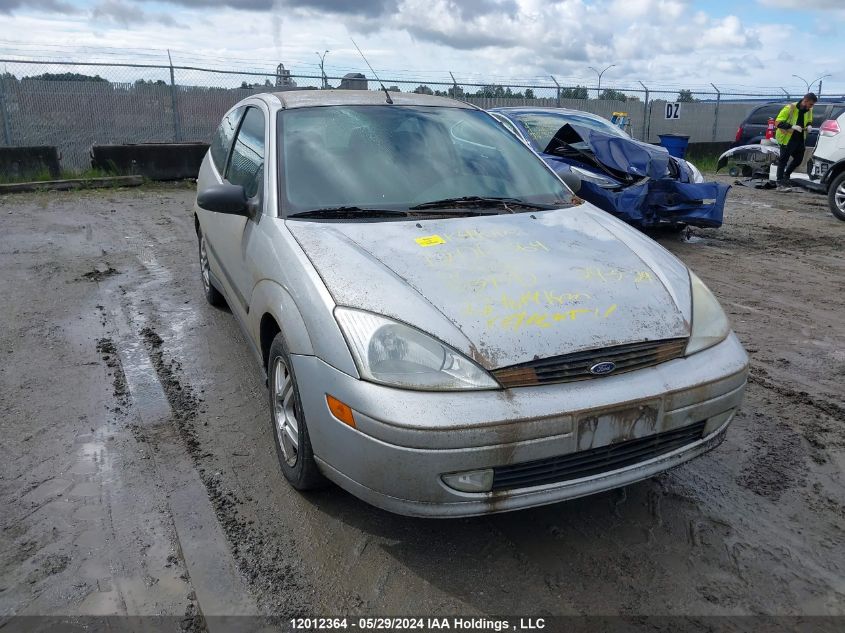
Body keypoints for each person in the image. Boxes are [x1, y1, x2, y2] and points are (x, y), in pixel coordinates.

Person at [774, 93, 817, 192]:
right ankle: (779, 183)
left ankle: (786, 176)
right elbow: (778, 122)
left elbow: (809, 120)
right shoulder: (790, 108)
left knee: (798, 159)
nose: (811, 107)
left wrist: (809, 125)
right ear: (805, 101)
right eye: (810, 104)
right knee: (783, 160)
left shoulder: (809, 110)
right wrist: (791, 126)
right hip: (787, 138)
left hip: (800, 138)